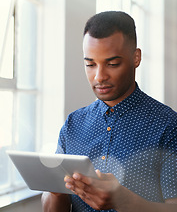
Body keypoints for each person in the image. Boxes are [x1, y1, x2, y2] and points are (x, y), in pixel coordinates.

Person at [41, 11, 177, 212]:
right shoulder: (73, 124)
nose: (99, 76)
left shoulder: (168, 125)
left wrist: (125, 201)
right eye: (90, 64)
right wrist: (55, 192)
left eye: (112, 64)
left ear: (136, 58)